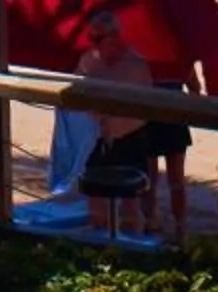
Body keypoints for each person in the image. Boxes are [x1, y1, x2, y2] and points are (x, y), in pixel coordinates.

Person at [77, 4, 191, 243]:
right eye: (92, 39)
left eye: (97, 39)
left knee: (165, 181)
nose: (94, 43)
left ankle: (173, 228)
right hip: (122, 127)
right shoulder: (92, 60)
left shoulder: (138, 55)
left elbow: (186, 73)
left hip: (150, 119)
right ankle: (157, 225)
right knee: (155, 181)